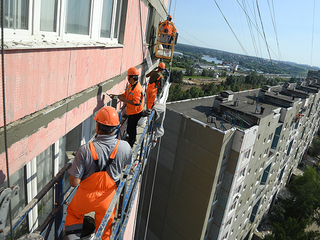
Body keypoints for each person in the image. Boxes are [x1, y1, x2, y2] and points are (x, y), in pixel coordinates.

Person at [64, 106, 132, 240]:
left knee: (74, 213)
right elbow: (125, 165)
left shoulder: (84, 150)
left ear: (97, 126)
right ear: (116, 127)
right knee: (105, 228)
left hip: (85, 198)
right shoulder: (125, 146)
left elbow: (73, 182)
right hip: (108, 198)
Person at [111, 67, 144, 147]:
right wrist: (117, 96)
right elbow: (126, 94)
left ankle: (131, 143)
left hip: (136, 112)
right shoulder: (131, 85)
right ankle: (132, 138)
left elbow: (137, 102)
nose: (127, 78)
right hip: (132, 112)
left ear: (132, 77)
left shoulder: (137, 89)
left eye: (128, 77)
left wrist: (124, 100)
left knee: (131, 129)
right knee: (131, 128)